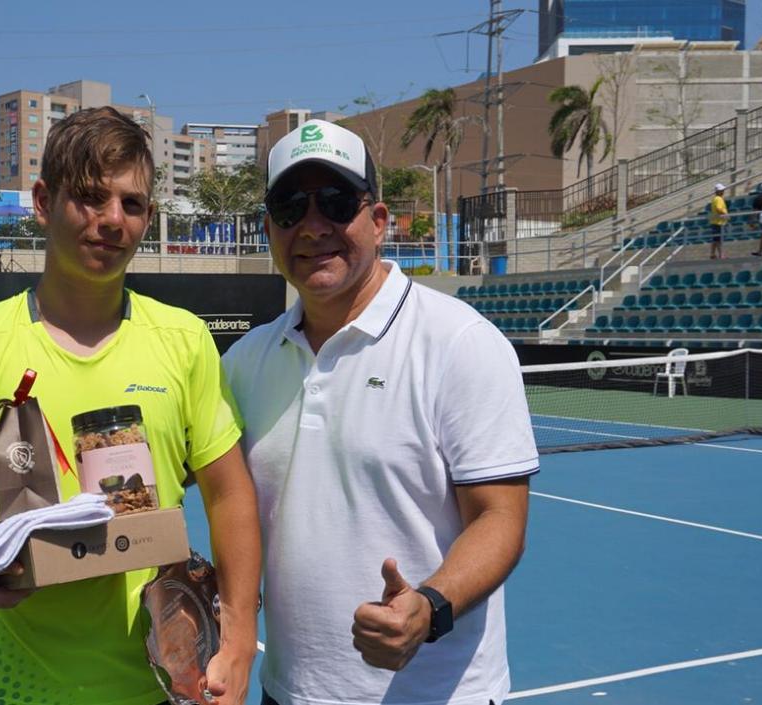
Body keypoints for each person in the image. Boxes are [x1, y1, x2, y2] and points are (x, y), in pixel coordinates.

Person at [0, 106, 261, 705]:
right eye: (91, 198)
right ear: (44, 202)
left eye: (131, 205)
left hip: (161, 688)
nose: (112, 220)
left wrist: (236, 640)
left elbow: (229, 493)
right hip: (14, 688)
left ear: (148, 218)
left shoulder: (184, 341)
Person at [222, 120, 537, 705]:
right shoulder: (245, 362)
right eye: (290, 208)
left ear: (379, 221)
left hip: (437, 694)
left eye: (337, 202)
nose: (313, 227)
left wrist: (429, 607)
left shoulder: (460, 341)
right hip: (286, 692)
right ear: (270, 229)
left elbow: (500, 519)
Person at [709, 183, 728, 259]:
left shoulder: (714, 199)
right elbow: (719, 208)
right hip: (719, 222)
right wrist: (725, 214)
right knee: (719, 240)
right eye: (722, 190)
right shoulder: (719, 199)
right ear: (718, 191)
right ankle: (721, 255)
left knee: (715, 239)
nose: (723, 191)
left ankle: (712, 254)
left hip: (715, 222)